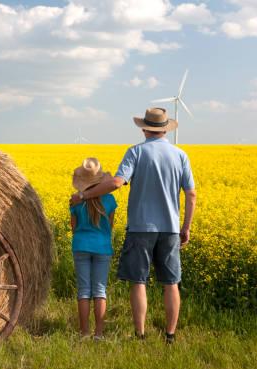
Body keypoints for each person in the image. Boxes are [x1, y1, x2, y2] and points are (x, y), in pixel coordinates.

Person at [70, 107, 196, 344]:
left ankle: (140, 335)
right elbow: (191, 195)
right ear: (165, 129)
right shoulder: (181, 155)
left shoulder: (136, 152)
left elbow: (117, 182)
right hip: (170, 228)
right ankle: (170, 336)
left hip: (140, 227)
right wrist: (186, 227)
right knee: (171, 283)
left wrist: (85, 196)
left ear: (144, 128)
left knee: (139, 282)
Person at [70, 157, 117, 341]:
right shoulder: (110, 199)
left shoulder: (75, 201)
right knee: (99, 290)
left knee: (83, 291)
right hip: (102, 246)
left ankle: (84, 333)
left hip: (81, 245)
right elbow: (110, 226)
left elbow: (74, 228)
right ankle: (98, 334)